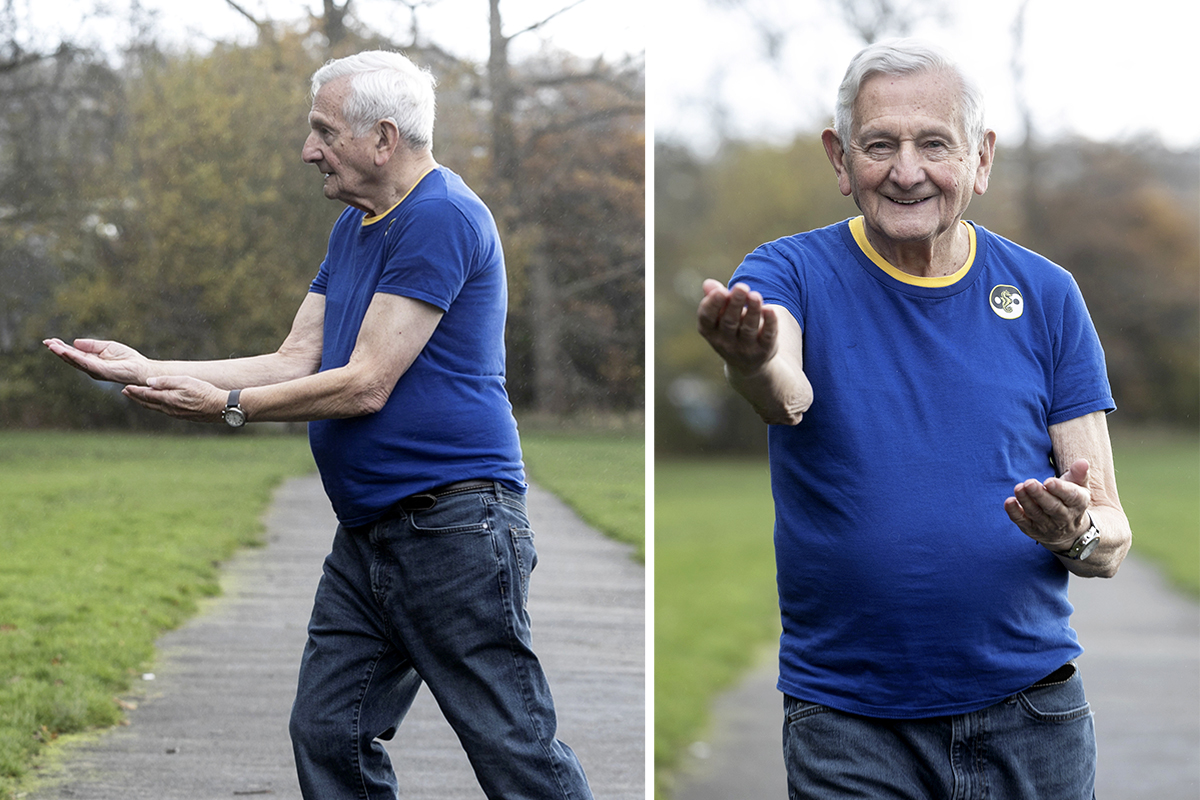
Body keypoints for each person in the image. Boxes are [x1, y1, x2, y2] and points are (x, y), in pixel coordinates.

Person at [45, 50, 593, 800]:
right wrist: (151, 369)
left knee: (514, 751)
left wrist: (230, 409)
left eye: (323, 133)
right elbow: (296, 357)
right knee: (329, 732)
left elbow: (366, 383)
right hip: (370, 531)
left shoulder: (442, 216)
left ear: (384, 137)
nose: (309, 151)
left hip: (453, 529)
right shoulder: (357, 227)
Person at [696, 38, 1131, 799]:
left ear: (981, 158)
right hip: (850, 724)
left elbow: (1110, 537)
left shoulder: (1048, 293)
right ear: (839, 160)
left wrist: (1075, 533)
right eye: (879, 145)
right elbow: (785, 393)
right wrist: (751, 357)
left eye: (935, 143)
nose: (906, 171)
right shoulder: (786, 270)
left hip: (1032, 715)